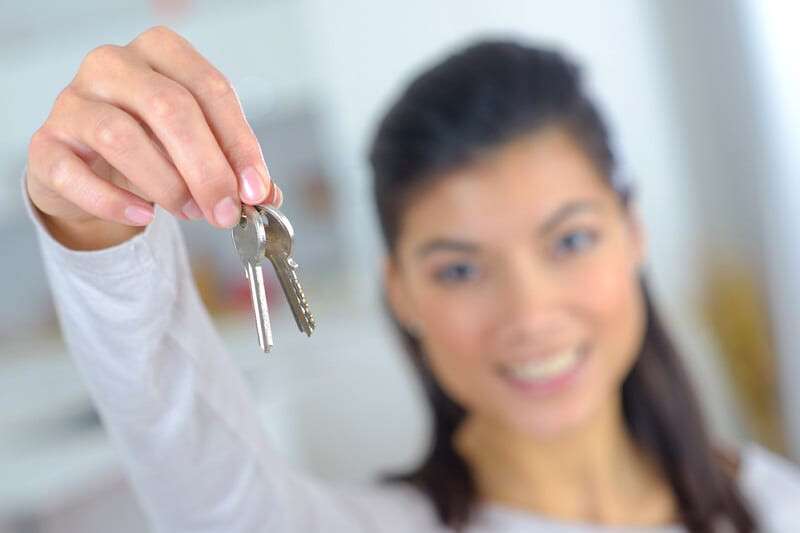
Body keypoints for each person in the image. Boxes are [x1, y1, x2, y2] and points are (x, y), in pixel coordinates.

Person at [22, 26, 800, 533]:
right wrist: (99, 228)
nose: (529, 312)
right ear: (401, 291)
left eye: (569, 239)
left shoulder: (777, 503)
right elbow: (191, 470)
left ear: (633, 233)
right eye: (459, 267)